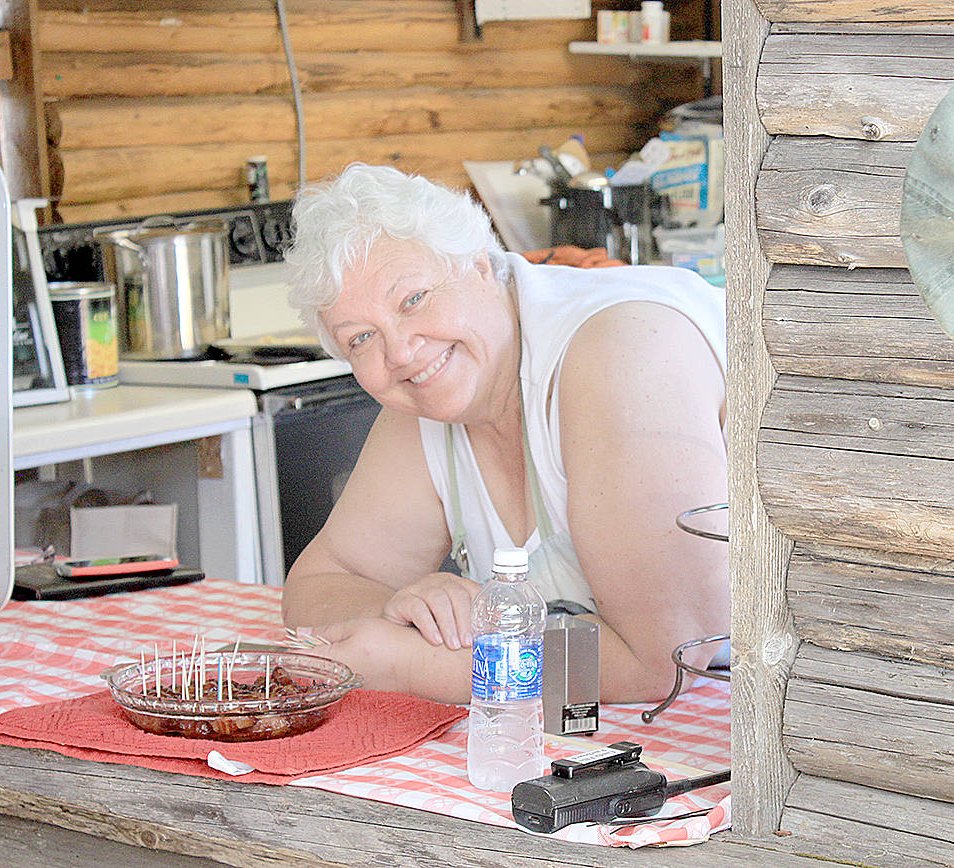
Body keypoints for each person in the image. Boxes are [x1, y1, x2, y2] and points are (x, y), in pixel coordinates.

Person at [281, 163, 727, 705]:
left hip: (795, 717)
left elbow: (662, 663)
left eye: (414, 299)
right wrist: (405, 608)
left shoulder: (621, 351)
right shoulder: (432, 390)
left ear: (479, 265)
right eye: (360, 339)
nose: (399, 353)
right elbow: (321, 583)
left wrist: (412, 664)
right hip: (605, 728)